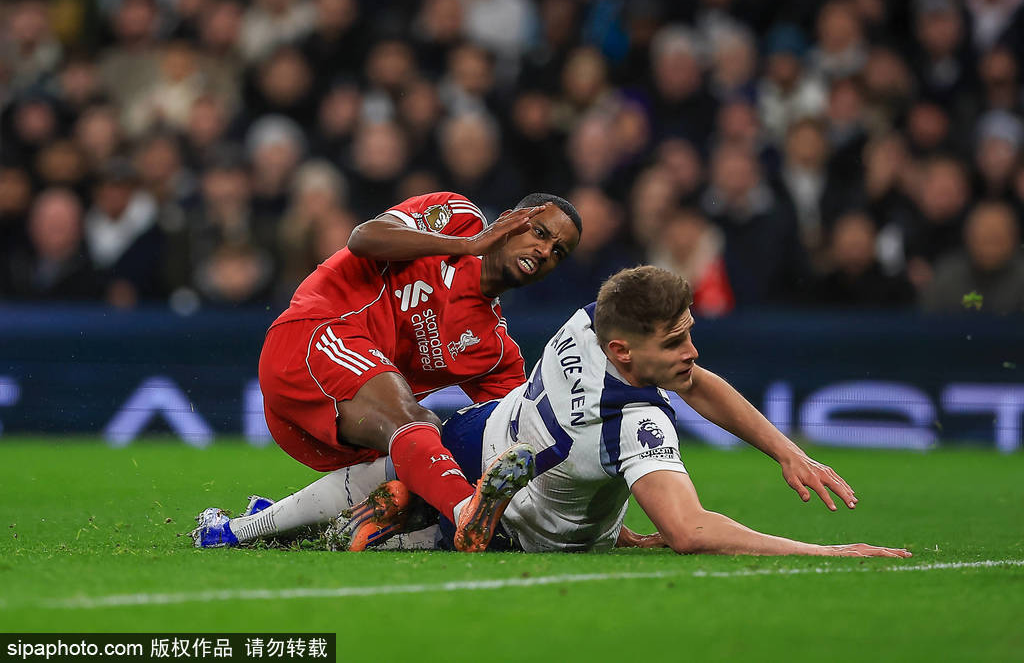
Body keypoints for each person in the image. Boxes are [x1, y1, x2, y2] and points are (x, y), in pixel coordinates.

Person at [222, 266, 912, 558]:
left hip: (481, 434)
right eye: (675, 341)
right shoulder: (635, 424)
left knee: (399, 459)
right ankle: (405, 526)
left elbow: (697, 383)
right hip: (526, 528)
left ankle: (246, 527)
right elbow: (689, 529)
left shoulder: (587, 322)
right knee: (414, 540)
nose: (691, 352)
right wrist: (823, 551)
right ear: (625, 350)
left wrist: (785, 450)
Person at [191, 191, 582, 552]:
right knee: (417, 422)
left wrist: (593, 509)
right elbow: (364, 238)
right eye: (539, 232)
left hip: (335, 430)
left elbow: (520, 434)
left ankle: (250, 526)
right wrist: (469, 245)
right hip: (310, 339)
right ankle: (466, 513)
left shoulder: (495, 351)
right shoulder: (459, 218)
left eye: (558, 252)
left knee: (432, 462)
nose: (544, 251)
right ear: (510, 220)